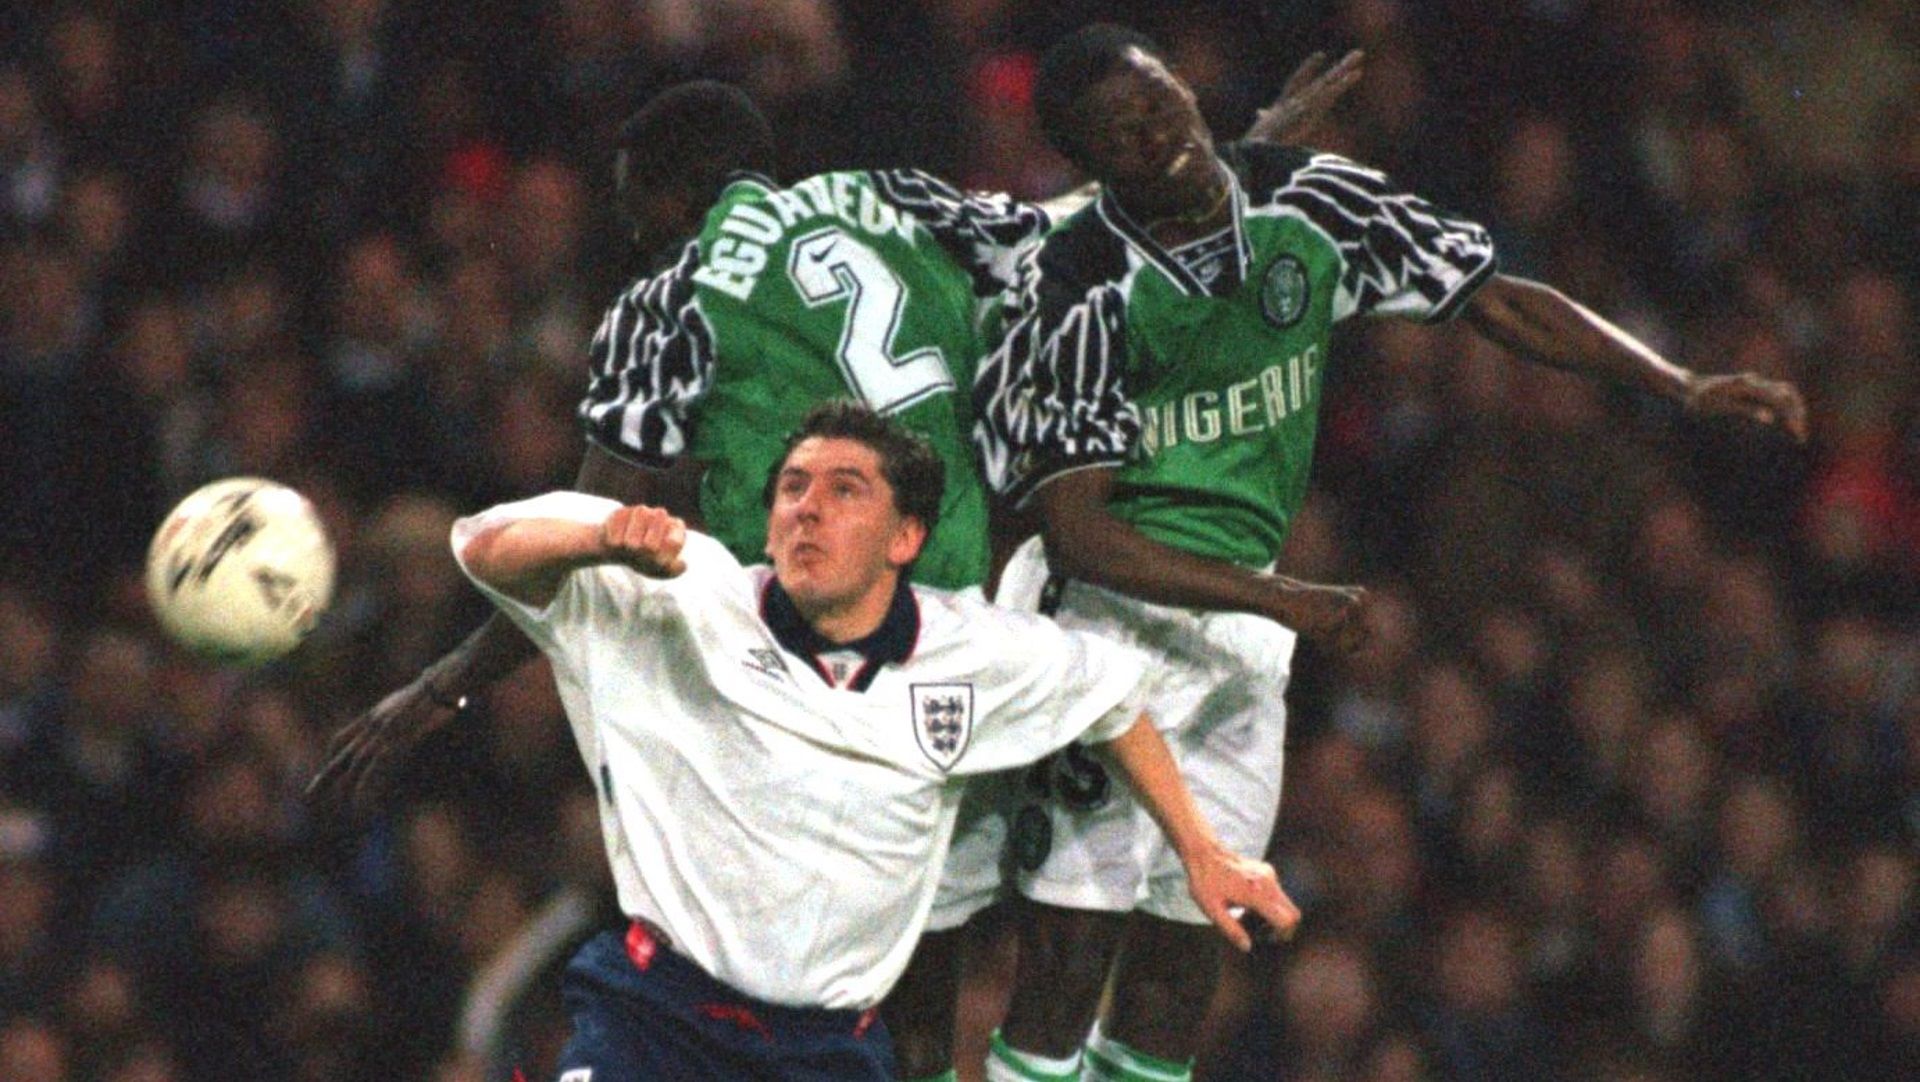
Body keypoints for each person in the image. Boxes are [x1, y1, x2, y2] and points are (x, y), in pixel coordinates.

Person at [309, 67, 1363, 1079]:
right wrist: (1236, 156)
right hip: (952, 635)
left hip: (781, 664)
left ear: (678, 189)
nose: (633, 230)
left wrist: (437, 686)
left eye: (638, 203)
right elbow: (1072, 226)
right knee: (934, 970)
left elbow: (586, 537)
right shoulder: (895, 198)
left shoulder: (669, 295)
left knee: (816, 969)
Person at [970, 23, 1811, 1082]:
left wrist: (1679, 381)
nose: (1158, 133)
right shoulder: (1081, 285)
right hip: (1105, 636)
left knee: (1184, 966)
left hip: (1240, 644)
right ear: (1090, 164)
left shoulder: (1309, 201)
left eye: (1160, 100)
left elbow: (1493, 295)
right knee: (1065, 961)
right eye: (1123, 134)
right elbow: (1081, 532)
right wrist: (1280, 596)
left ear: (1185, 84)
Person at [450, 401, 1301, 1080]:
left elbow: (1112, 697)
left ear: (906, 538)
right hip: (657, 1024)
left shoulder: (974, 653)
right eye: (792, 488)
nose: (808, 508)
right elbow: (484, 549)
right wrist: (597, 539)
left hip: (829, 1051)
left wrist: (1199, 848)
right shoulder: (683, 596)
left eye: (845, 489)